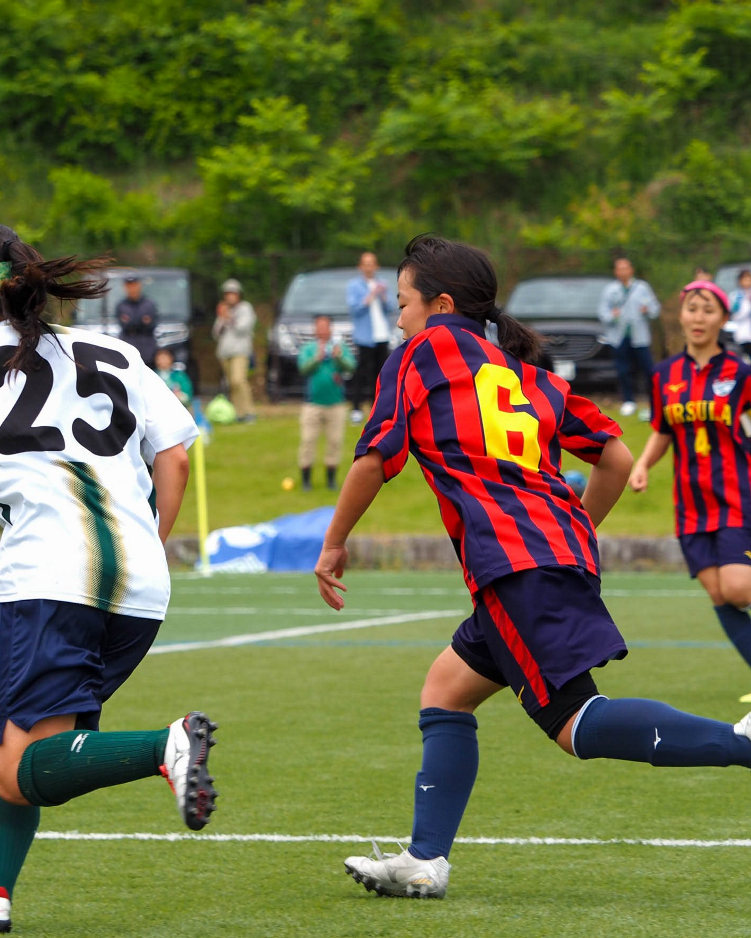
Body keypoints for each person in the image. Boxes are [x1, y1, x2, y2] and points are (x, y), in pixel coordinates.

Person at [314, 235, 751, 900]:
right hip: (541, 557)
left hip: (515, 565)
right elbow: (613, 456)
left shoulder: (420, 353)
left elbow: (375, 457)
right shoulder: (528, 374)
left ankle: (743, 743)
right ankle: (425, 859)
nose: (398, 317)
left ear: (440, 304)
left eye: (403, 303)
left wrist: (333, 541)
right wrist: (570, 531)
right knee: (446, 690)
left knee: (576, 725)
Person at [0, 223, 218, 934]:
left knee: (22, 760)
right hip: (139, 589)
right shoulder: (114, 351)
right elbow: (178, 457)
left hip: (49, 578)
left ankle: (167, 746)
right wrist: (152, 543)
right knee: (13, 744)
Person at [629, 281, 751, 694]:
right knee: (719, 593)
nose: (699, 318)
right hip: (691, 506)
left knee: (738, 587)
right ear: (681, 315)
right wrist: (643, 464)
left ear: (723, 318)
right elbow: (663, 430)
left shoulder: (742, 375)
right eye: (692, 309)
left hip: (738, 498)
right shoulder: (664, 375)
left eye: (708, 310)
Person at [296, 314, 356, 491]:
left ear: (330, 328)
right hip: (312, 404)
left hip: (336, 403)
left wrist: (338, 358)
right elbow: (303, 368)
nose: (322, 329)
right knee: (308, 440)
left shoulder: (340, 347)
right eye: (318, 326)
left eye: (325, 326)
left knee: (335, 442)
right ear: (315, 329)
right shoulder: (308, 348)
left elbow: (351, 367)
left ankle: (331, 480)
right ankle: (306, 480)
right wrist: (317, 358)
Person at [598, 256, 661, 419]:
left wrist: (647, 310)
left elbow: (655, 308)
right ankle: (628, 401)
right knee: (623, 370)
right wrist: (612, 315)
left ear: (631, 270)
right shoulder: (610, 290)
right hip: (619, 336)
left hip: (640, 336)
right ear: (615, 271)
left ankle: (652, 402)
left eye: (626, 268)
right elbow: (602, 313)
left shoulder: (642, 287)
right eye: (619, 268)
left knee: (648, 370)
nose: (623, 271)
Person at [346, 251, 398, 425]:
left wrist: (382, 295)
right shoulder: (354, 286)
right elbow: (355, 308)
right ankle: (356, 408)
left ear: (377, 266)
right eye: (365, 263)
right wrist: (371, 295)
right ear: (360, 266)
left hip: (381, 334)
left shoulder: (382, 284)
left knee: (381, 373)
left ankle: (378, 408)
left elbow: (390, 306)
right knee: (362, 373)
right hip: (364, 337)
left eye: (372, 263)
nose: (369, 267)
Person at [212, 278, 257, 422]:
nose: (230, 296)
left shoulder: (245, 308)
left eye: (233, 293)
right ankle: (239, 414)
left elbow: (242, 328)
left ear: (238, 294)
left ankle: (249, 412)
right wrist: (222, 318)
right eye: (227, 293)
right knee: (232, 384)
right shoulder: (224, 310)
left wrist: (228, 317)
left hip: (240, 351)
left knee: (239, 380)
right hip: (225, 353)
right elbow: (215, 333)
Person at [115, 271, 158, 365]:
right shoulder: (121, 305)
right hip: (128, 345)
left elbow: (151, 325)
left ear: (139, 285)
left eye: (134, 285)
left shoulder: (149, 304)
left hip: (147, 348)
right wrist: (141, 321)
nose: (132, 288)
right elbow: (124, 325)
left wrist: (132, 322)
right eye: (129, 286)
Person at [730, 269, 751, 354]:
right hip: (743, 333)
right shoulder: (736, 296)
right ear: (740, 281)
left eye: (748, 278)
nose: (747, 281)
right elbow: (735, 315)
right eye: (744, 279)